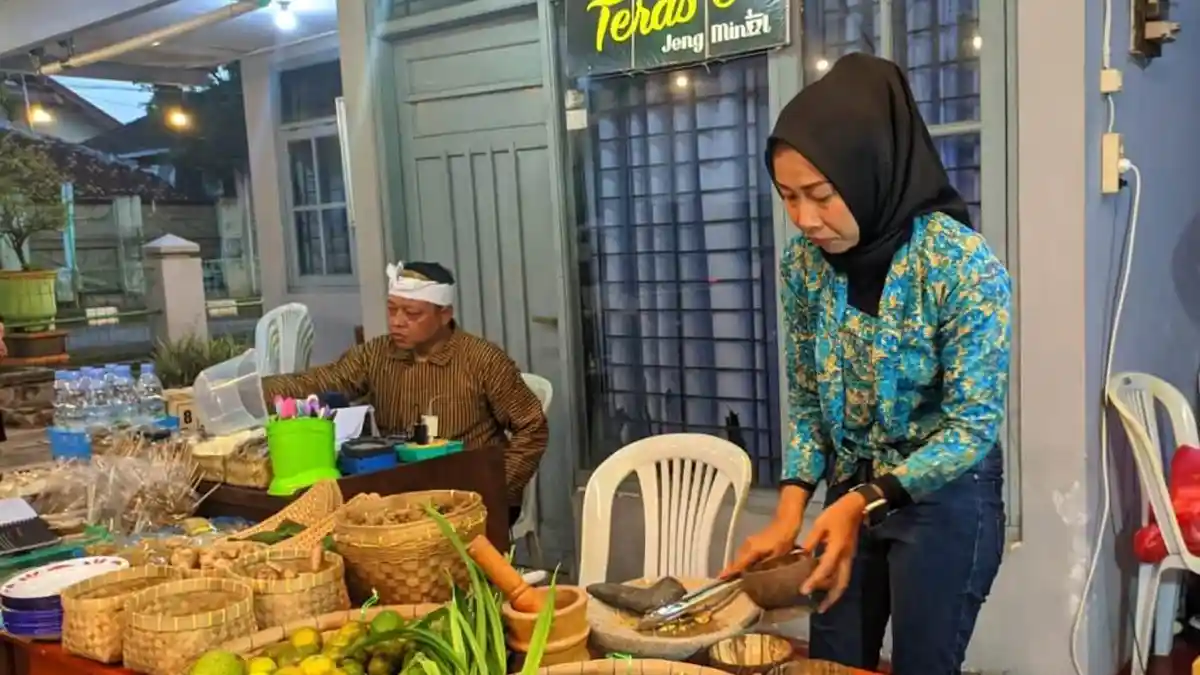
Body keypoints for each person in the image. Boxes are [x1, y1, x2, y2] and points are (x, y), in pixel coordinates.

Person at [722, 53, 1011, 675]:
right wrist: (792, 510)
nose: (804, 219)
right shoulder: (804, 264)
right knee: (834, 656)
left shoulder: (959, 265)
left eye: (822, 196)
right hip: (848, 486)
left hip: (943, 496)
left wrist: (863, 502)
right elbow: (806, 396)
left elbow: (971, 426)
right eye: (788, 197)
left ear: (870, 172)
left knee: (923, 662)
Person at [261, 261, 549, 524]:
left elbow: (532, 428)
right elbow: (323, 381)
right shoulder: (377, 354)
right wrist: (248, 394)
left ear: (444, 314)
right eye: (392, 309)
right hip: (396, 497)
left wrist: (495, 486)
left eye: (412, 313)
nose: (397, 321)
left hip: (468, 498)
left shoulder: (482, 359)